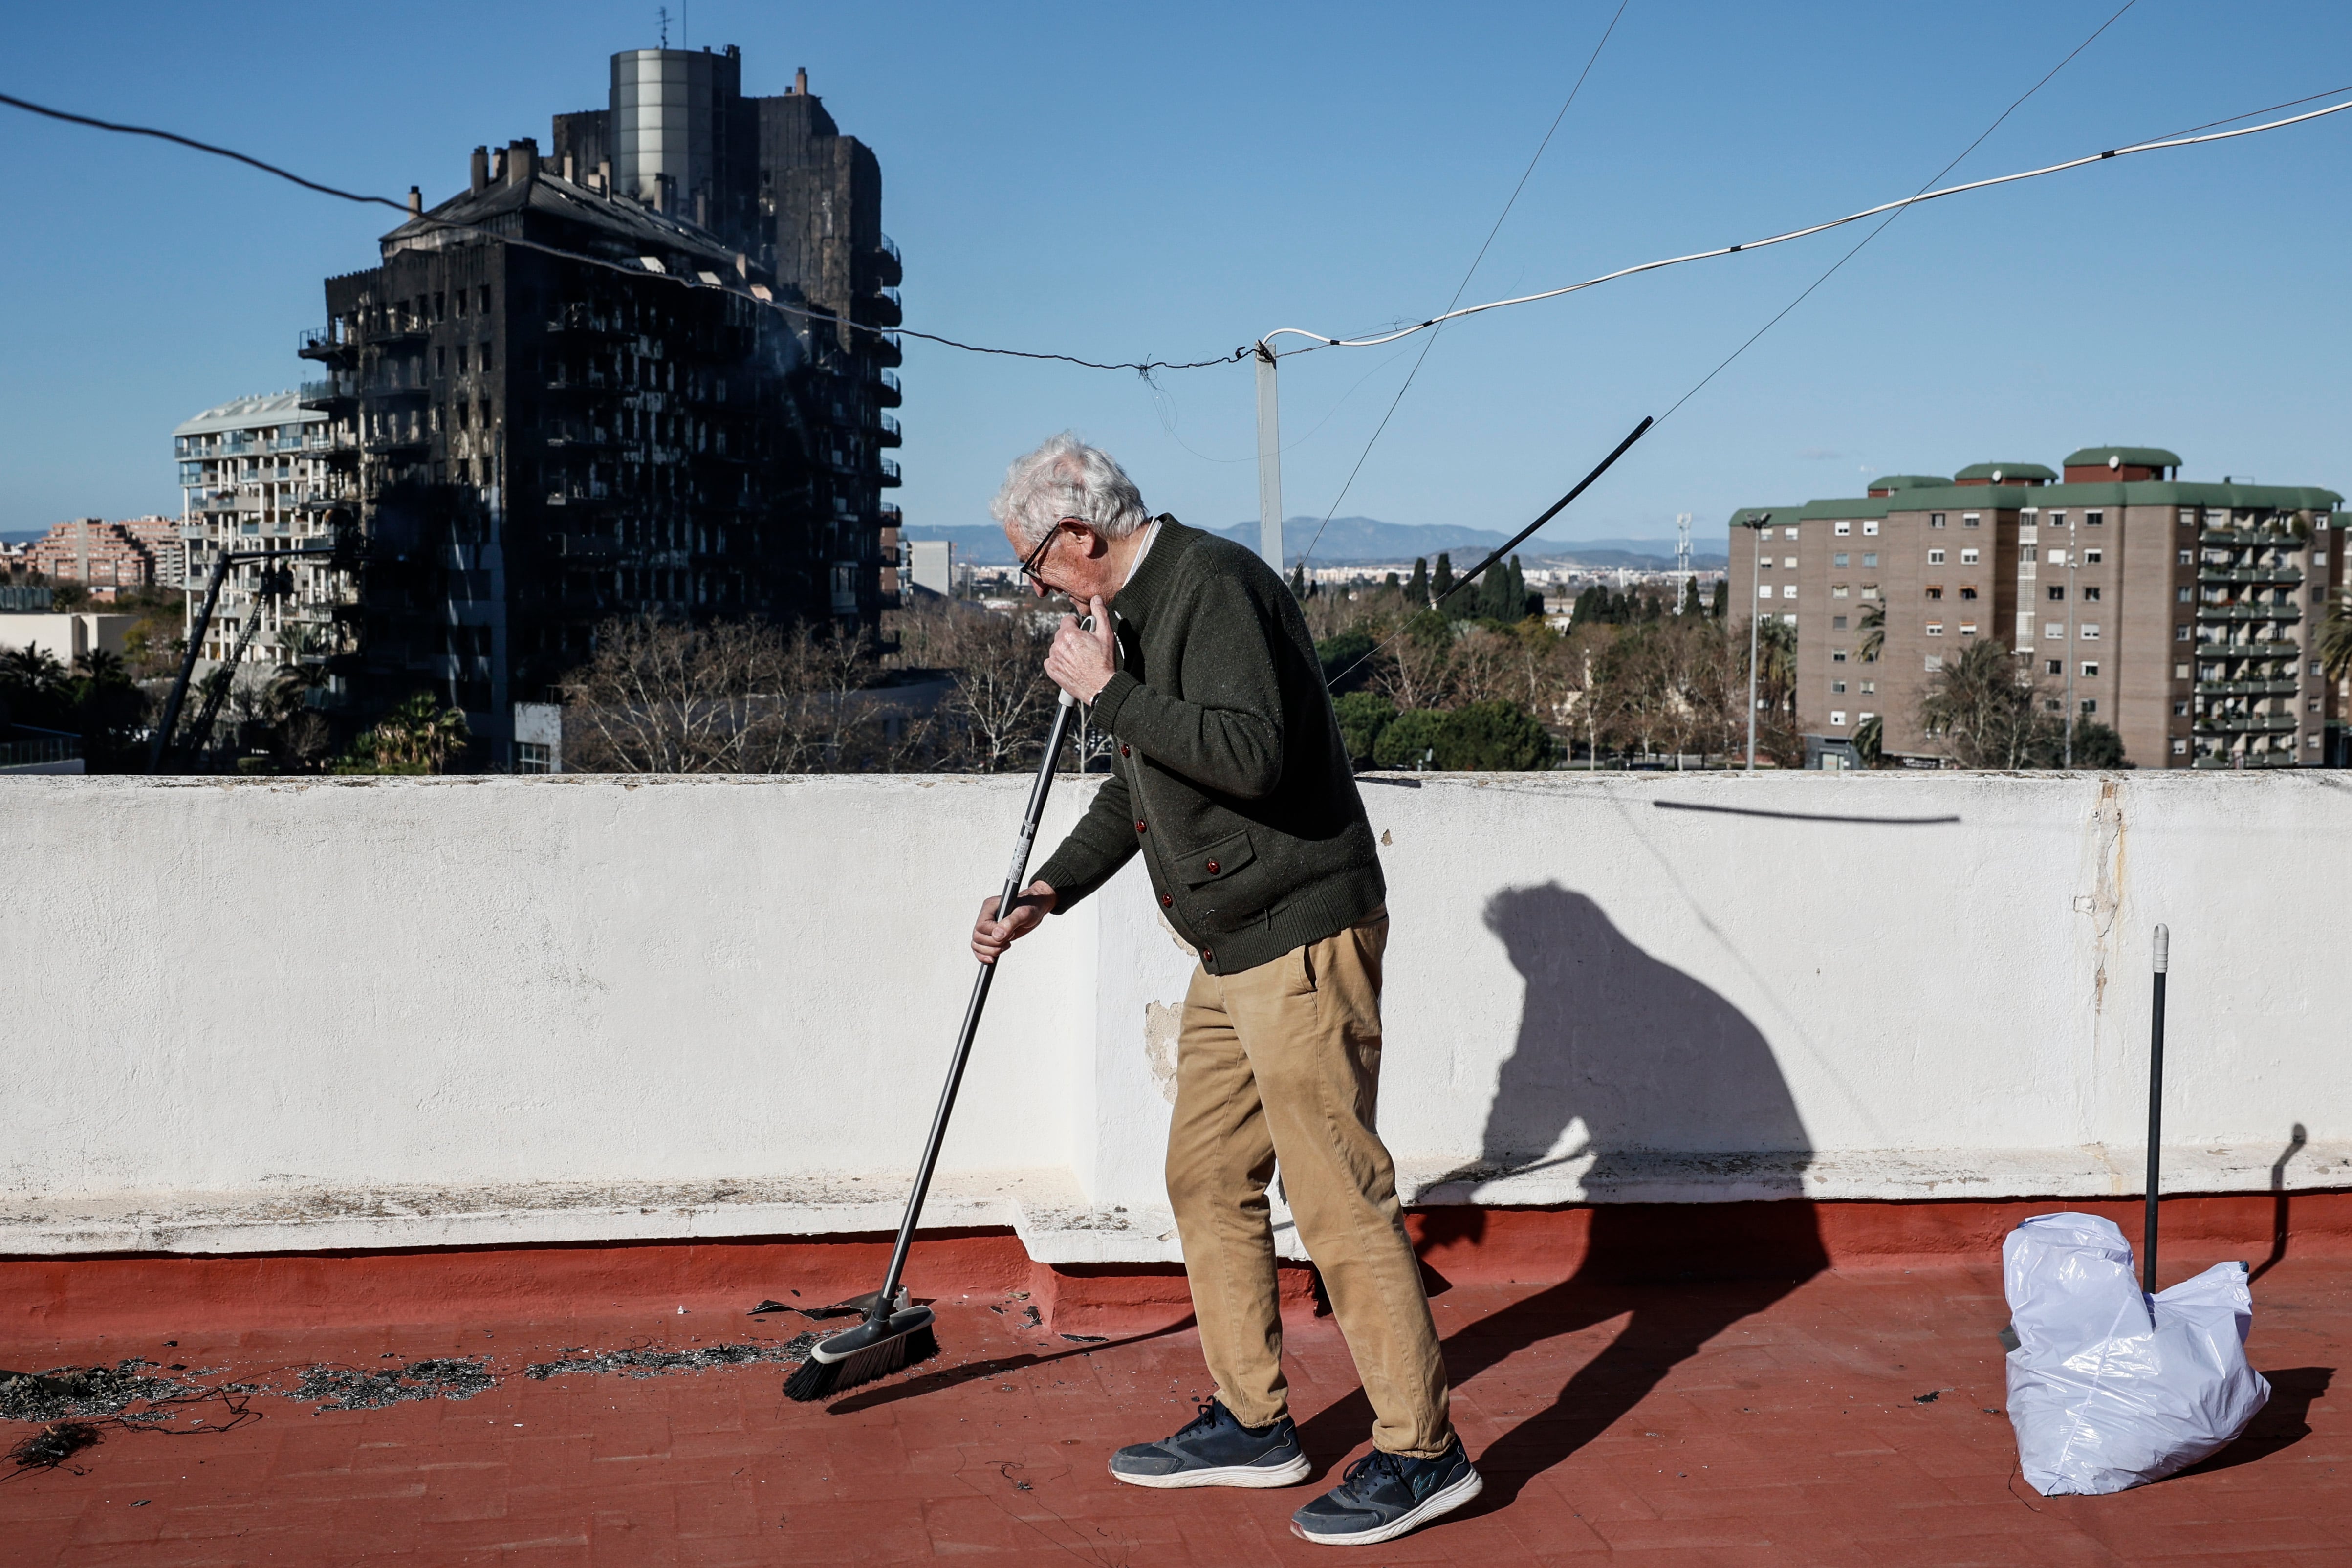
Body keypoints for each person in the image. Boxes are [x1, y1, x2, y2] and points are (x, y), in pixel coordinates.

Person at [968, 434, 1479, 1548]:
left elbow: (1251, 756)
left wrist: (1111, 692)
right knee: (1204, 1172)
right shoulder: (1134, 615)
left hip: (1300, 935)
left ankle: (1424, 1453)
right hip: (1232, 950)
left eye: (1032, 564)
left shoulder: (1215, 586)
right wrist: (1047, 890)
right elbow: (1143, 792)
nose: (1036, 588)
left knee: (1340, 1195)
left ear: (1081, 536)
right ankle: (1255, 1420)